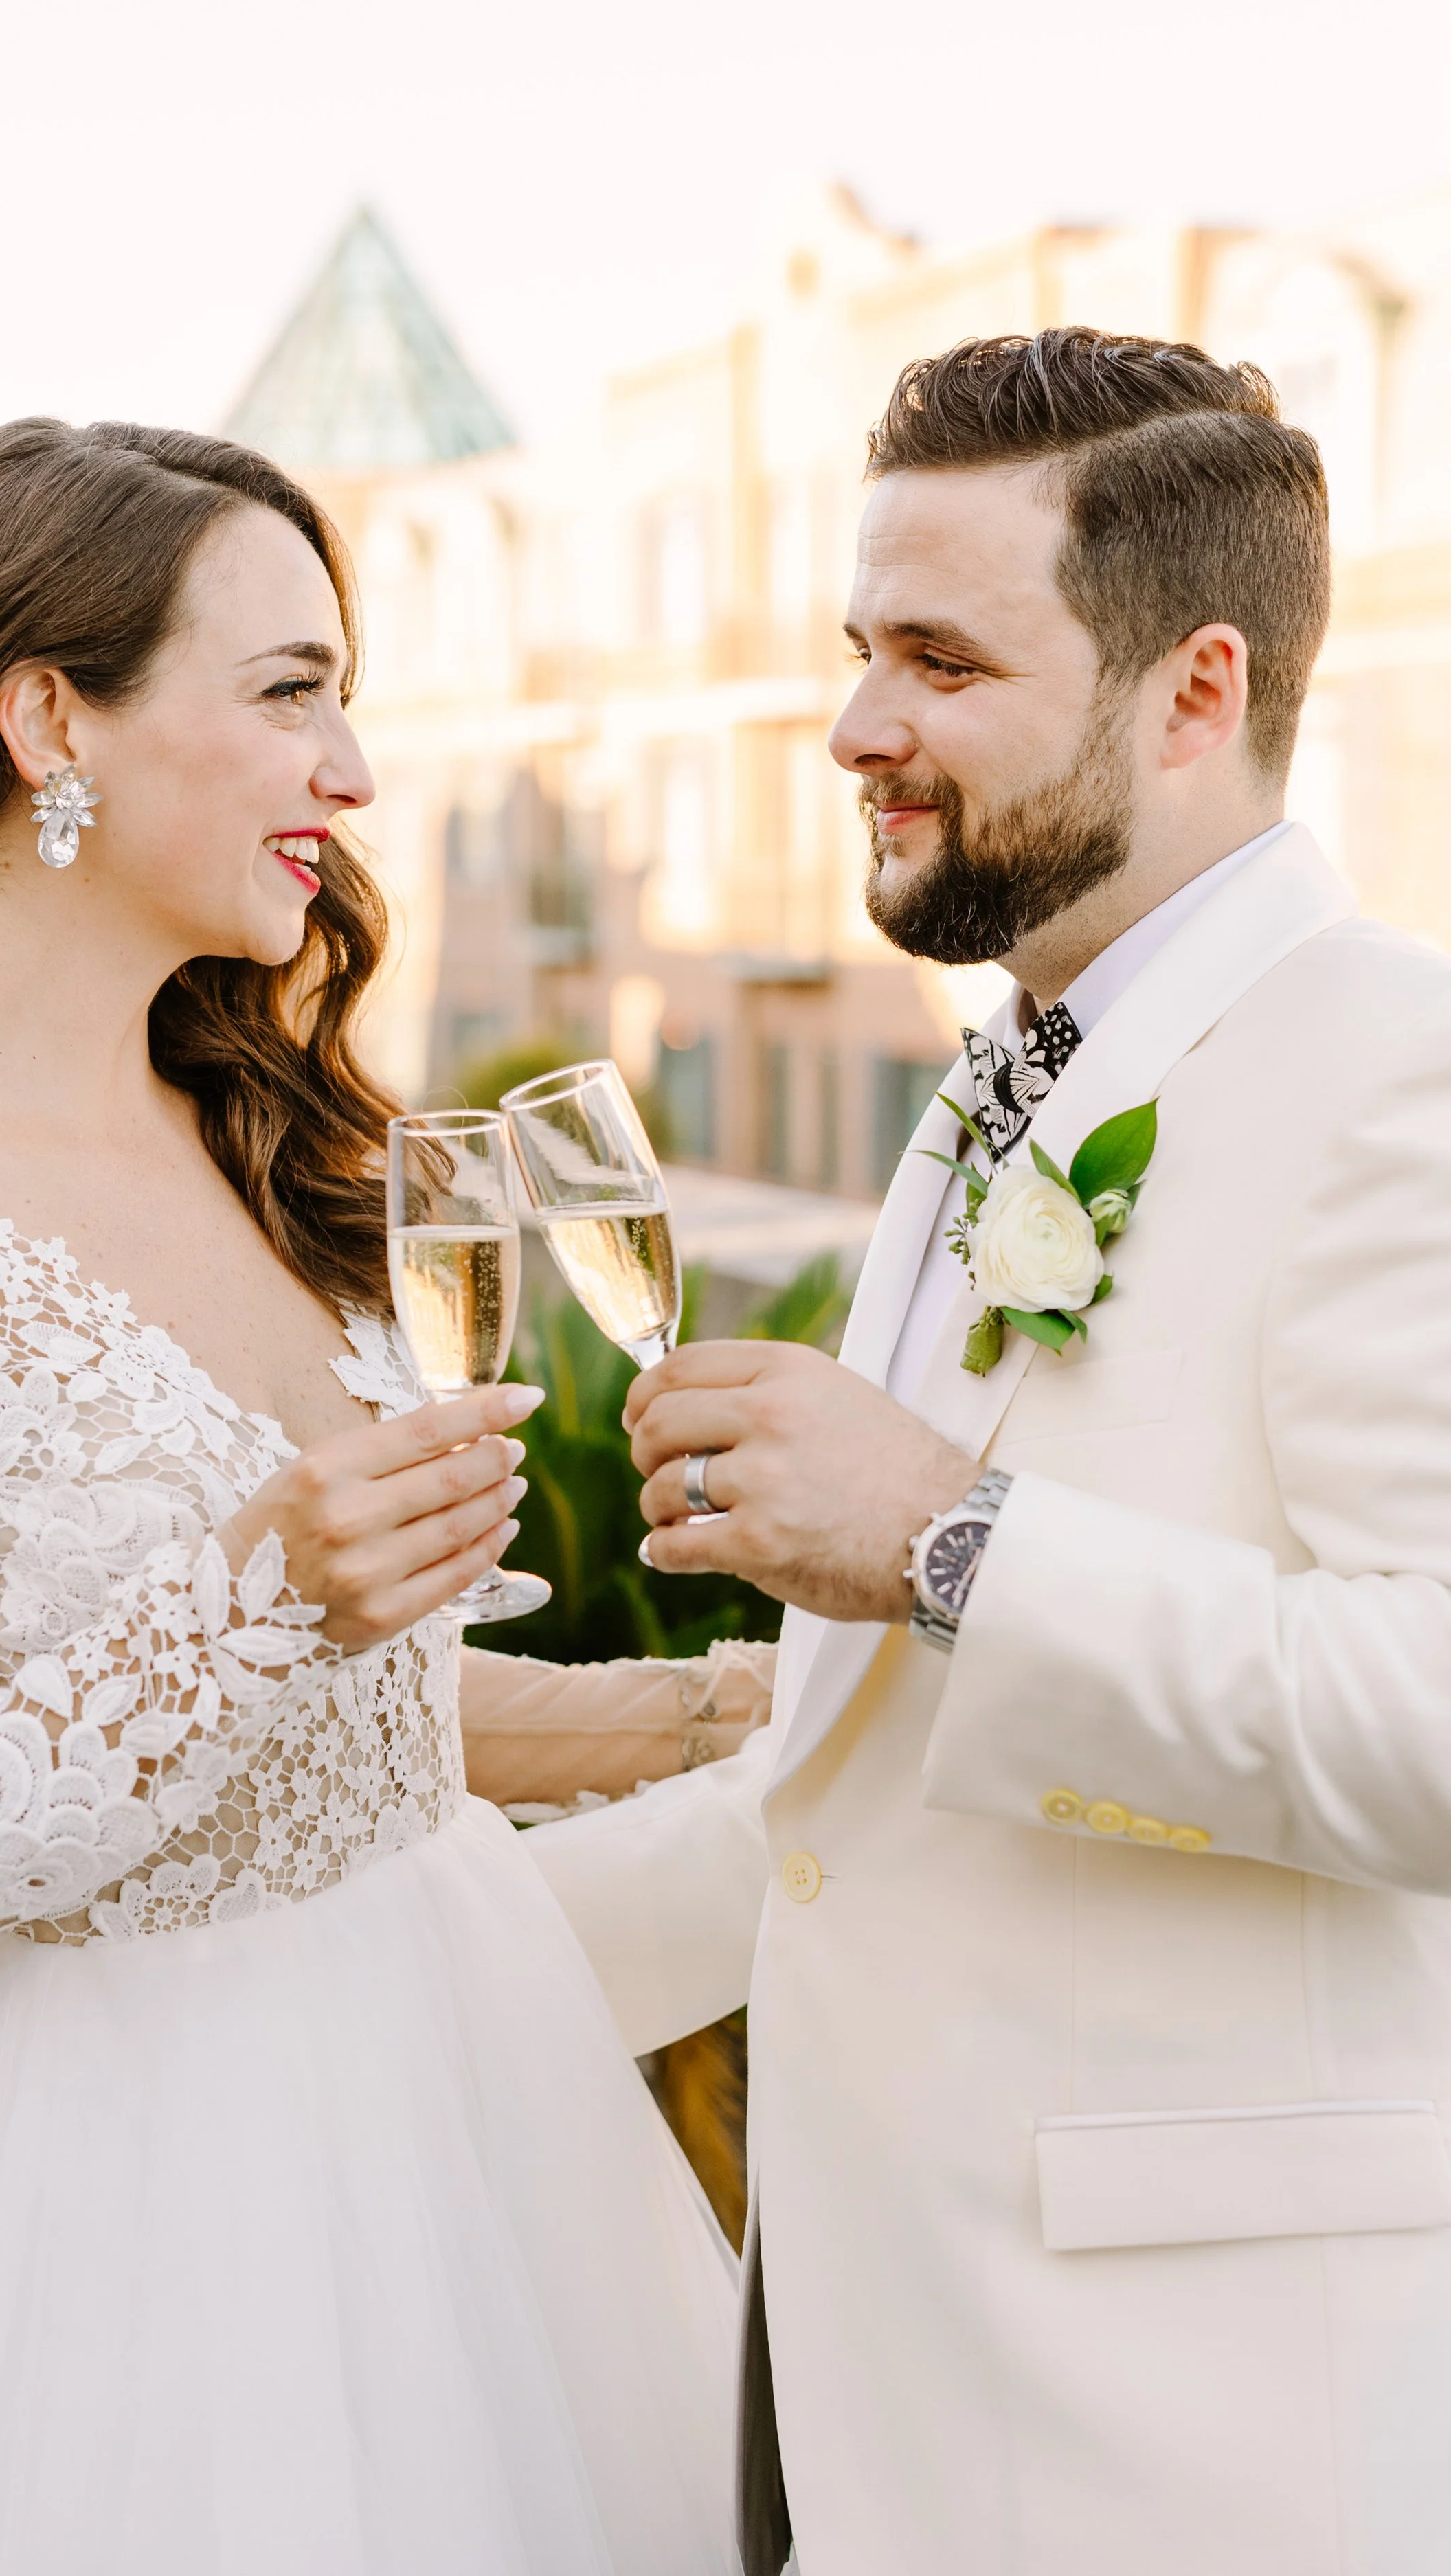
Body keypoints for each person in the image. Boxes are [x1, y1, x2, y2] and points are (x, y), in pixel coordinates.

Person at [0, 418, 741, 2576]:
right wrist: (238, 1604)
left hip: (465, 2121)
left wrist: (709, 1711)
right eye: (291, 689)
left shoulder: (266, 1133)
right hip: (100, 2248)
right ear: (46, 719)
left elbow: (327, 1744)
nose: (355, 768)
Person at [526, 328, 1451, 2576]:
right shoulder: (983, 1094)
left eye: (937, 658)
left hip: (1191, 2440)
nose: (853, 725)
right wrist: (402, 1952)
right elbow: (848, 1817)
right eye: (860, 649)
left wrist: (947, 1537)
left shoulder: (1395, 1077)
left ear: (1194, 689)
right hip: (851, 2371)